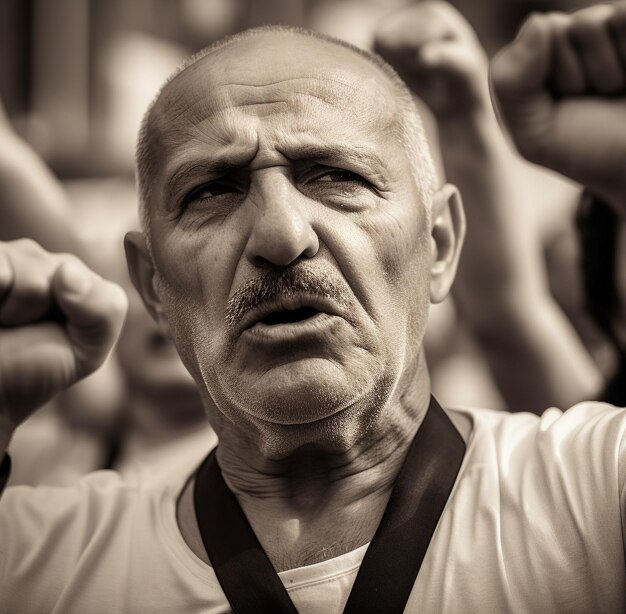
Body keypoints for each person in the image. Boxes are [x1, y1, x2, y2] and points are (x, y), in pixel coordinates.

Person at [1, 4, 626, 613]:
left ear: (438, 244)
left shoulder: (592, 493)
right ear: (153, 287)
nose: (281, 235)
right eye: (213, 190)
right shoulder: (41, 565)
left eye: (335, 176)